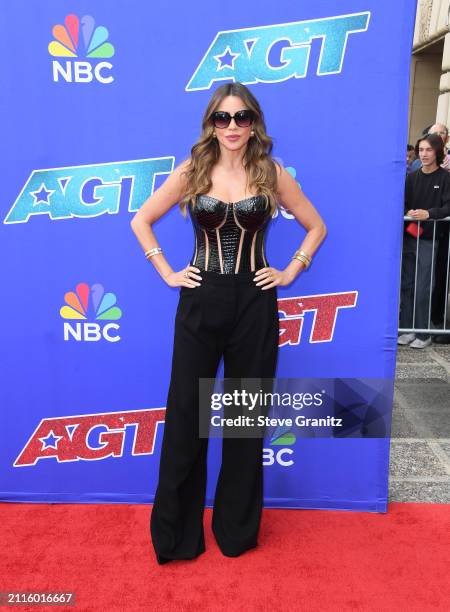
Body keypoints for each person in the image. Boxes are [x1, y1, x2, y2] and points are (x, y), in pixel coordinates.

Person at [130, 82, 327, 564]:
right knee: (184, 420)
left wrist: (289, 270)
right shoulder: (193, 171)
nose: (233, 126)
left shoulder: (271, 173)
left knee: (244, 422)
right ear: (211, 124)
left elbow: (317, 225)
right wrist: (168, 271)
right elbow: (141, 220)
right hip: (200, 301)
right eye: (223, 118)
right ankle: (177, 536)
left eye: (242, 118)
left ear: (254, 122)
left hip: (254, 305)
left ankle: (236, 530)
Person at [398, 133, 450, 348]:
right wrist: (411, 214)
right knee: (408, 285)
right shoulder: (412, 177)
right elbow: (404, 203)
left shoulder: (445, 178)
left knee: (423, 287)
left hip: (430, 239)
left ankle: (423, 332)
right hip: (410, 236)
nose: (424, 154)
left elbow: (448, 207)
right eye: (421, 150)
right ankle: (408, 328)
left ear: (437, 152)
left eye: (428, 150)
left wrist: (429, 214)